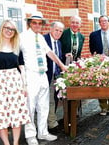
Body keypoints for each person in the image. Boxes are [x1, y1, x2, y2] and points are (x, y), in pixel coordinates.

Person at [20, 11, 67, 145]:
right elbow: (15, 56)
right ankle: (30, 135)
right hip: (30, 75)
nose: (37, 25)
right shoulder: (22, 37)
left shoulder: (40, 37)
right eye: (34, 23)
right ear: (29, 23)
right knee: (30, 106)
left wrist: (62, 65)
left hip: (42, 75)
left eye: (39, 23)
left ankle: (43, 132)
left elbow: (50, 53)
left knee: (43, 105)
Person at [0, 19, 30, 145]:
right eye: (7, 28)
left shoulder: (16, 46)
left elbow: (22, 67)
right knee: (0, 116)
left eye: (12, 29)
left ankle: (15, 143)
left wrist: (24, 85)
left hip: (15, 83)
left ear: (15, 32)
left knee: (17, 115)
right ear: (2, 28)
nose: (9, 31)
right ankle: (6, 143)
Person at [89, 15, 109, 116]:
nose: (103, 23)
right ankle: (103, 107)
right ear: (99, 23)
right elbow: (92, 49)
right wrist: (97, 56)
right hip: (99, 62)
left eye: (105, 21)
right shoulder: (93, 35)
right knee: (100, 83)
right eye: (101, 21)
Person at [44, 21, 64, 133]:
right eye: (56, 30)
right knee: (48, 100)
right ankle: (51, 123)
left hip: (56, 75)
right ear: (51, 29)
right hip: (45, 75)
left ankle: (51, 121)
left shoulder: (58, 43)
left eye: (60, 31)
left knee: (54, 99)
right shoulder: (44, 40)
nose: (58, 33)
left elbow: (58, 57)